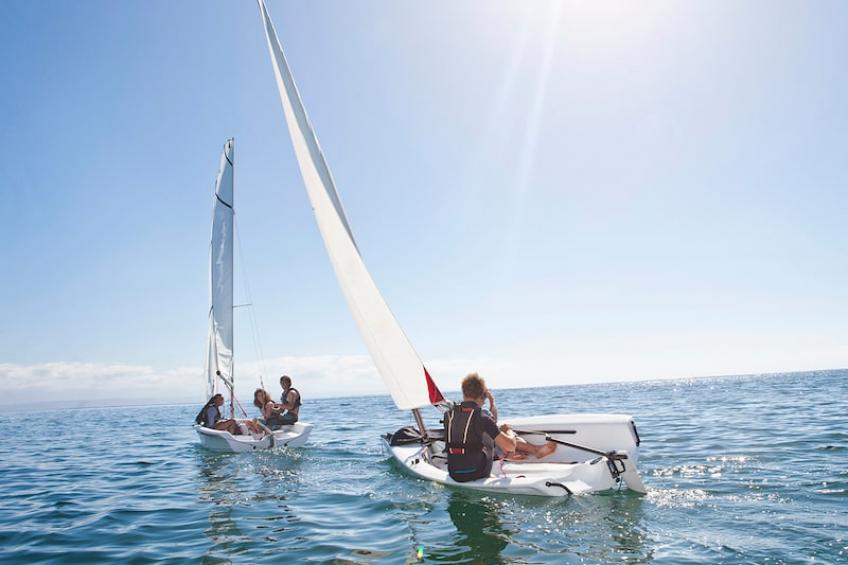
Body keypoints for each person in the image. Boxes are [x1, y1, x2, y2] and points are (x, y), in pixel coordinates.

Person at [444, 373, 556, 482]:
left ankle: (511, 456)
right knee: (500, 434)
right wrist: (509, 431)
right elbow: (510, 446)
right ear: (482, 395)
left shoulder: (448, 415)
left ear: (463, 392)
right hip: (477, 473)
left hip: (454, 472)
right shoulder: (482, 417)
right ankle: (511, 456)